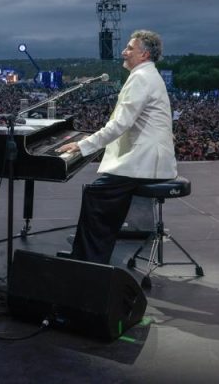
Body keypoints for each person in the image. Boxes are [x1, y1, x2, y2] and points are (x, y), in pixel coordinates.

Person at [56, 30, 177, 264]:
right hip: (147, 159)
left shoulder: (141, 78)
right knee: (101, 193)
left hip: (145, 162)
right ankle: (89, 252)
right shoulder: (148, 75)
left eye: (130, 48)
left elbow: (120, 124)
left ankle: (89, 260)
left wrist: (82, 145)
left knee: (96, 194)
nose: (124, 51)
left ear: (144, 54)